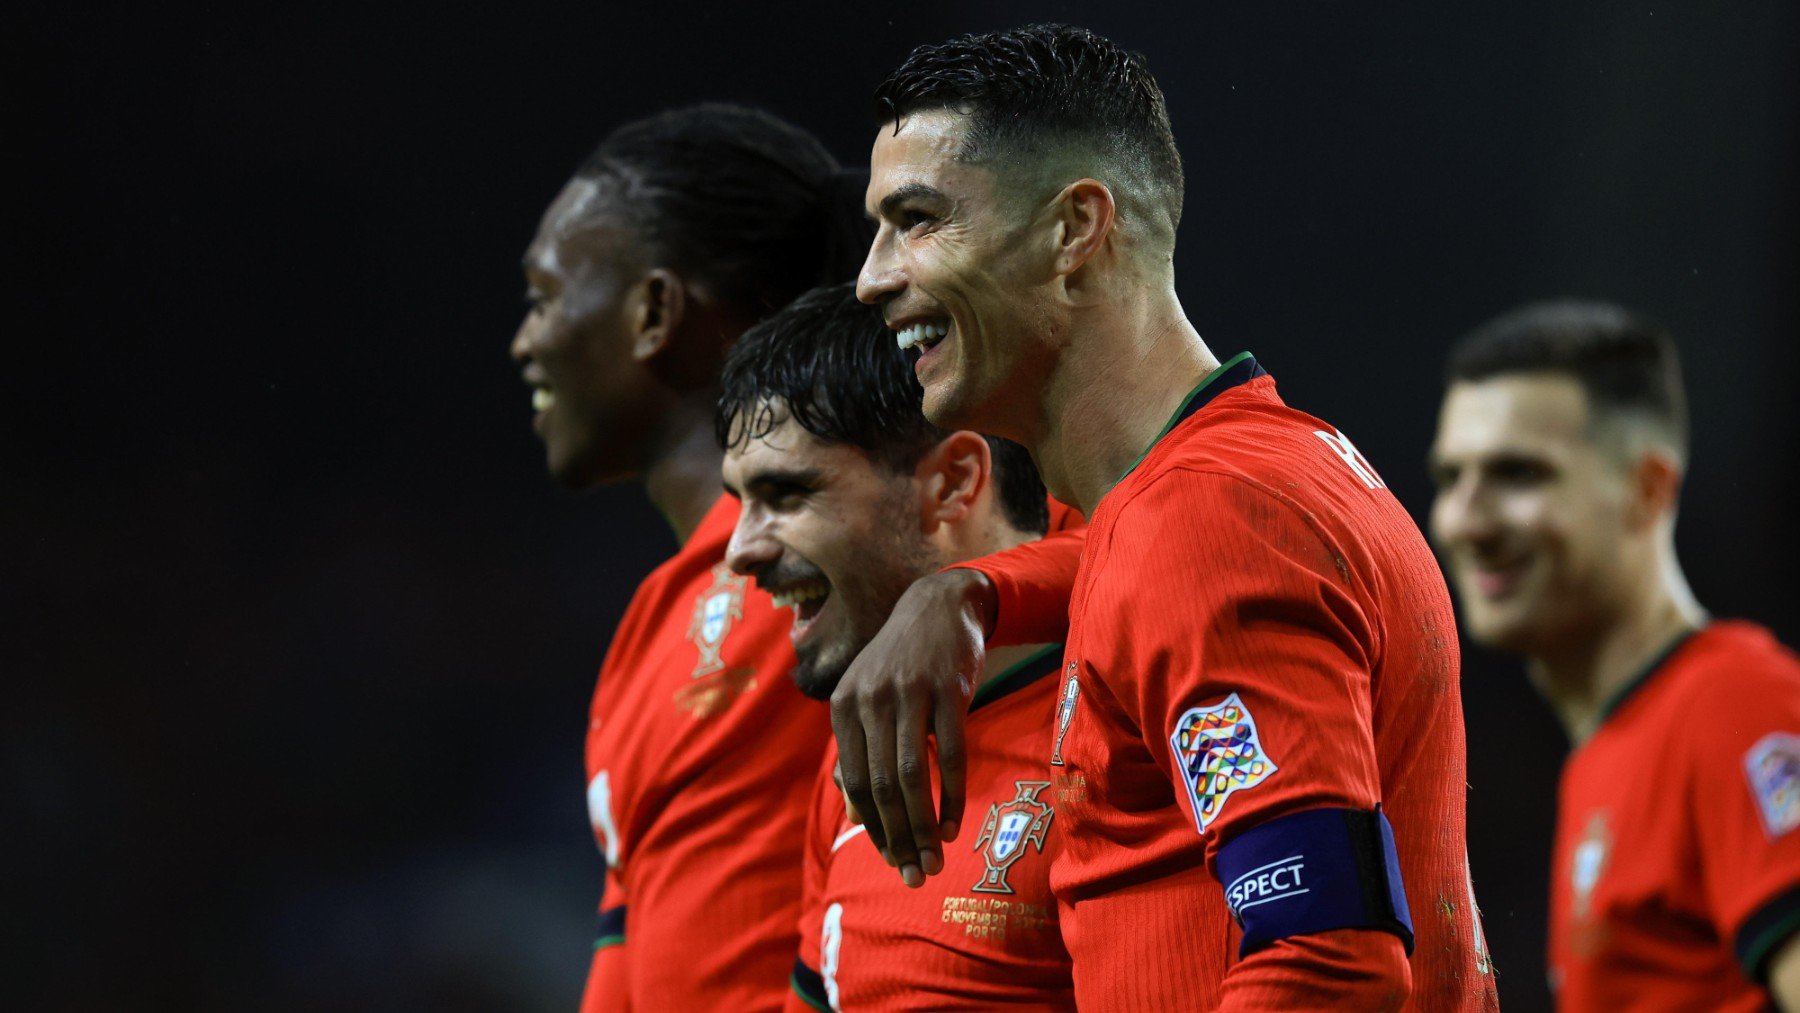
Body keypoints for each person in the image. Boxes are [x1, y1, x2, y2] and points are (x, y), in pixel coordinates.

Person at [832, 24, 1497, 1008]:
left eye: (918, 219)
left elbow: (1326, 951)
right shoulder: (1252, 467)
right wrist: (973, 590)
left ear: (1074, 230)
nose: (872, 277)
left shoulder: (1208, 518)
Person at [510, 104, 869, 1011]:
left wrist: (974, 596)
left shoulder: (888, 529)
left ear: (654, 311)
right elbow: (624, 950)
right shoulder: (647, 629)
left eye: (545, 297)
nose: (524, 341)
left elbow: (1103, 560)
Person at [1428, 300, 1800, 1011]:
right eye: (1452, 477)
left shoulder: (1735, 706)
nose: (1466, 520)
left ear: (1647, 488)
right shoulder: (1611, 746)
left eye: (1518, 473)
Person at [716, 283, 1075, 1010]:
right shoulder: (864, 737)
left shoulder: (1112, 716)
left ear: (952, 483)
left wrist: (971, 590)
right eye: (739, 500)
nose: (739, 552)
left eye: (786, 494)